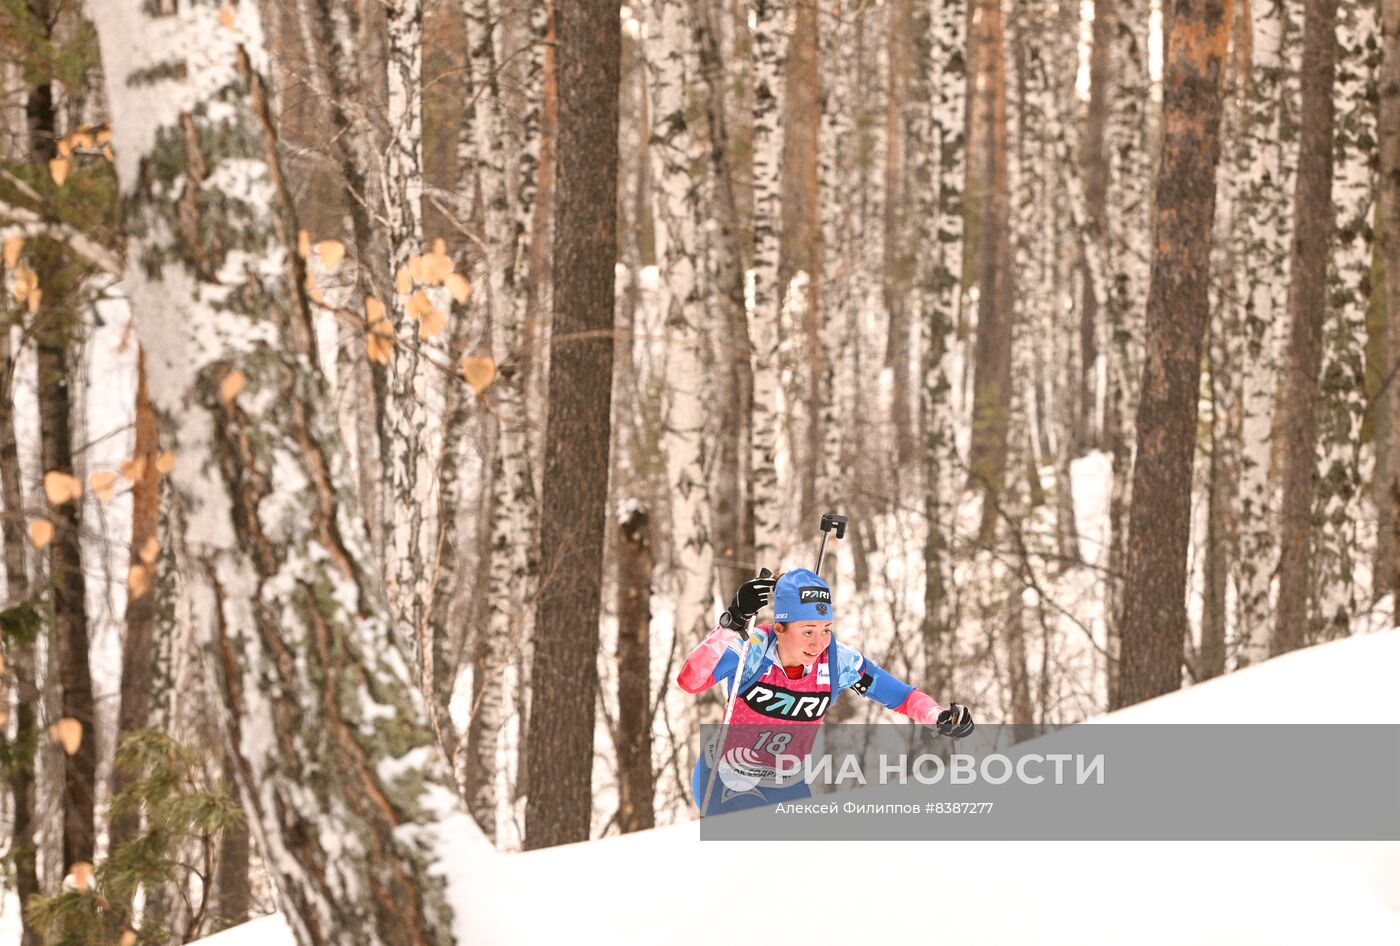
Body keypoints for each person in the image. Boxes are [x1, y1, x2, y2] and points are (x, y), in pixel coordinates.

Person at [677, 567, 974, 815]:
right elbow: (690, 681)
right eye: (807, 631)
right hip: (727, 779)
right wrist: (732, 624)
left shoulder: (838, 661)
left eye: (826, 629)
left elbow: (902, 696)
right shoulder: (752, 651)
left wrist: (938, 716)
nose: (818, 643)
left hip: (785, 783)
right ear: (779, 628)